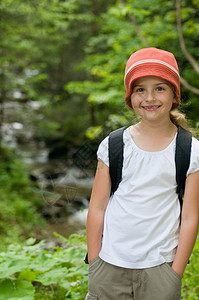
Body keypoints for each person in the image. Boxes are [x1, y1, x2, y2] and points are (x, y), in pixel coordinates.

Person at [85, 47, 199, 300]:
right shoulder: (114, 145)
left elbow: (190, 217)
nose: (149, 97)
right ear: (130, 96)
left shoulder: (190, 150)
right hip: (109, 265)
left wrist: (175, 274)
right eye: (140, 89)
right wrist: (95, 262)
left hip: (160, 269)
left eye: (159, 88)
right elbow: (97, 207)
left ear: (174, 95)